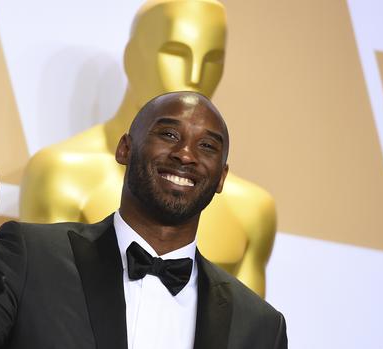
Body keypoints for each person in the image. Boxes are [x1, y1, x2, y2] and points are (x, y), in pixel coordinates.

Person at [0, 92, 288, 349]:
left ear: (221, 178)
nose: (185, 154)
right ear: (125, 148)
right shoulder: (32, 257)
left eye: (207, 146)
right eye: (168, 134)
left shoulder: (261, 328)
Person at [19, 0, 276, 297]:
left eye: (212, 58)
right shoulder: (60, 173)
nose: (195, 75)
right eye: (176, 53)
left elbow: (245, 337)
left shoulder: (252, 210)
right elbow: (46, 313)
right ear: (132, 57)